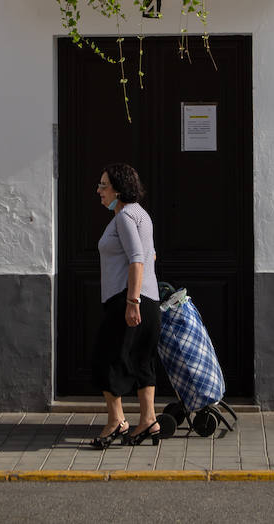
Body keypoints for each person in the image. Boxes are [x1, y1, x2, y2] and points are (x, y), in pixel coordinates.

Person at [89, 162, 162, 448]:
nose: (98, 191)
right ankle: (148, 421)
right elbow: (151, 256)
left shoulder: (123, 218)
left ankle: (116, 421)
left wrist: (132, 301)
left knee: (106, 359)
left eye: (103, 185)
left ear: (119, 189)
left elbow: (137, 258)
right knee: (142, 360)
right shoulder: (141, 215)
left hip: (127, 299)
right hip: (150, 299)